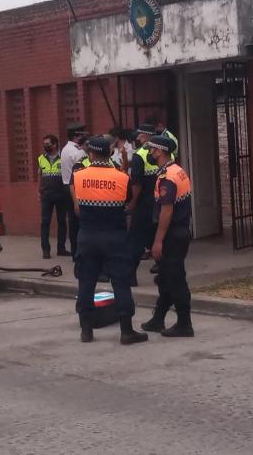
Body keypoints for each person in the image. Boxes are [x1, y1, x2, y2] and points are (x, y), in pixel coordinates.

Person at [70, 135, 149, 345]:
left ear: (91, 153)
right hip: (115, 236)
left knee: (86, 282)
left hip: (87, 236)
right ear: (108, 153)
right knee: (121, 282)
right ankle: (126, 331)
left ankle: (86, 330)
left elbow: (77, 207)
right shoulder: (122, 177)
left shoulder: (79, 176)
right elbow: (128, 202)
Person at [141, 135, 194, 338]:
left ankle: (184, 324)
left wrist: (158, 240)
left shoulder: (168, 178)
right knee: (165, 278)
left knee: (176, 279)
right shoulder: (177, 171)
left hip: (172, 235)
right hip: (179, 233)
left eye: (152, 150)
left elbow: (166, 211)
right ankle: (158, 318)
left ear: (160, 151)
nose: (150, 153)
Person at [127, 124, 159, 285]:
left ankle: (131, 275)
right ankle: (162, 273)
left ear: (146, 136)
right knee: (159, 238)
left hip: (144, 204)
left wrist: (132, 202)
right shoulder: (164, 151)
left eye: (140, 135)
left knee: (136, 240)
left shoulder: (139, 155)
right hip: (160, 202)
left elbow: (136, 183)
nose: (138, 138)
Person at [38, 134, 71, 260]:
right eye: (44, 144)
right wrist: (38, 192)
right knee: (45, 222)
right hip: (46, 195)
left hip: (61, 194)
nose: (45, 146)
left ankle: (61, 248)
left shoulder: (63, 158)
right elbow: (40, 175)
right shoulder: (41, 158)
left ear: (55, 144)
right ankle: (45, 250)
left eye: (48, 144)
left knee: (62, 222)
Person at [60, 123, 88, 258]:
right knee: (80, 221)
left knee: (72, 221)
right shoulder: (78, 152)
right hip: (75, 188)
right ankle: (80, 252)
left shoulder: (65, 149)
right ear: (77, 136)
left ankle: (74, 251)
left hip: (66, 186)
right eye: (83, 135)